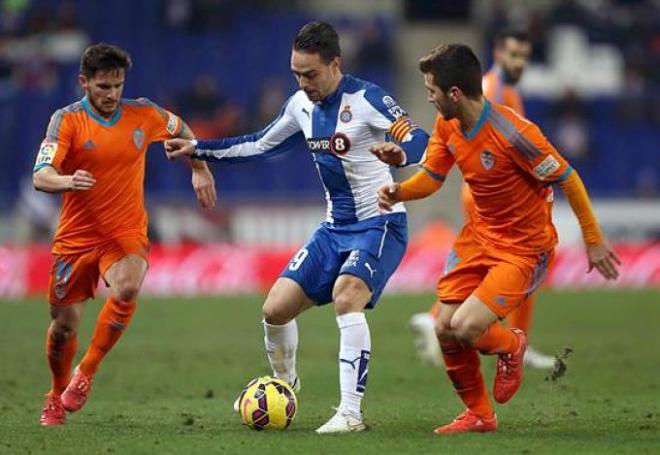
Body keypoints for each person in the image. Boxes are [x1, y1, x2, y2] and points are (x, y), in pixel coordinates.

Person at [164, 21, 429, 434]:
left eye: (311, 74)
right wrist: (199, 149)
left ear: (335, 64)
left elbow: (418, 137)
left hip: (379, 224)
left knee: (346, 298)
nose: (303, 83)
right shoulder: (300, 106)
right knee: (274, 310)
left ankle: (351, 413)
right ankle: (285, 385)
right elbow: (258, 143)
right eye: (296, 74)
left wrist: (400, 151)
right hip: (333, 229)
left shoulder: (369, 99)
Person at [375, 43, 620, 433]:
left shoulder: (515, 134)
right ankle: (480, 416)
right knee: (443, 327)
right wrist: (400, 191)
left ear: (454, 93)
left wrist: (593, 238)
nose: (429, 98)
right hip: (477, 237)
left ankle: (512, 345)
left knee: (466, 327)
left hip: (523, 248)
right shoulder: (448, 125)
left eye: (432, 91)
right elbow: (433, 178)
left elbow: (568, 178)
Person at [34, 43, 216, 426]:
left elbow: (180, 127)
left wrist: (198, 168)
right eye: (102, 86)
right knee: (64, 327)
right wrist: (68, 180)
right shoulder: (65, 121)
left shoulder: (142, 113)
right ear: (83, 82)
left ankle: (87, 372)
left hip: (125, 230)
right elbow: (41, 175)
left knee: (129, 285)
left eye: (117, 85)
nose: (111, 94)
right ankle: (55, 392)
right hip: (76, 237)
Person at [409, 28, 556, 369]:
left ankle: (441, 320)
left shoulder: (505, 89)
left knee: (512, 269)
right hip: (488, 198)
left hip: (498, 195)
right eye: (513, 54)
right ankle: (507, 339)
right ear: (498, 53)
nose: (519, 62)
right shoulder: (489, 90)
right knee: (520, 262)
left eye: (525, 56)